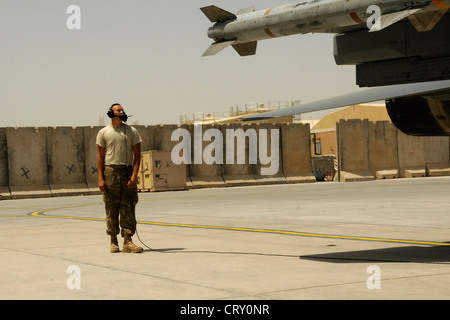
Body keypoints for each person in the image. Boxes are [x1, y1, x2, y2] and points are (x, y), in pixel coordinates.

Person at [96, 103, 143, 253]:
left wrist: (134, 175)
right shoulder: (103, 132)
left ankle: (128, 241)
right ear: (111, 113)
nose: (122, 112)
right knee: (111, 207)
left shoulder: (132, 131)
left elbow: (137, 155)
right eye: (119, 110)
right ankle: (113, 240)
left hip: (127, 171)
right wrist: (101, 178)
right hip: (111, 171)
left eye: (122, 110)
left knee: (128, 206)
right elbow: (100, 156)